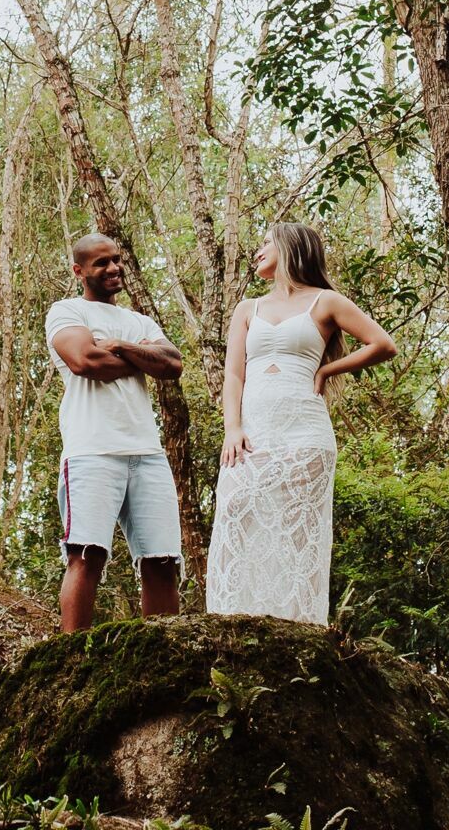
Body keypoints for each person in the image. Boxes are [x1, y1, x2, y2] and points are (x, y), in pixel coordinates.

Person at [206, 222, 396, 624]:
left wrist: (327, 370)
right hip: (252, 430)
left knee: (298, 529)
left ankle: (296, 625)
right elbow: (234, 375)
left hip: (305, 432)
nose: (257, 250)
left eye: (265, 242)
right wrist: (232, 428)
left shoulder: (325, 302)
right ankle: (232, 619)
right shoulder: (248, 309)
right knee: (235, 507)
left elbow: (383, 345)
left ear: (289, 247)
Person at [45, 232, 186, 633]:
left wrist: (121, 346)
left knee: (161, 561)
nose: (113, 268)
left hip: (147, 453)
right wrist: (144, 357)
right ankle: (72, 654)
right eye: (101, 263)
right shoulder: (67, 311)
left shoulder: (139, 321)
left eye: (117, 260)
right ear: (79, 271)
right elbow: (86, 361)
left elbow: (173, 365)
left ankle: (161, 654)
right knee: (87, 555)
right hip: (92, 450)